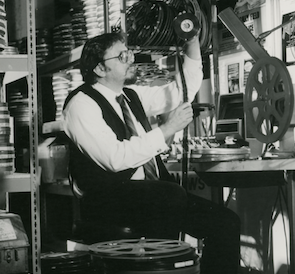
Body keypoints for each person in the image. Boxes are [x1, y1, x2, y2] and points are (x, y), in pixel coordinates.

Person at [62, 32, 240, 274]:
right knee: (169, 195)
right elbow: (115, 158)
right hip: (109, 201)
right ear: (100, 69)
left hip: (154, 197)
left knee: (226, 223)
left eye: (129, 53)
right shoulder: (81, 105)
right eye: (122, 56)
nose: (130, 60)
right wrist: (168, 129)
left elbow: (180, 91)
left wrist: (192, 42)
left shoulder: (130, 96)